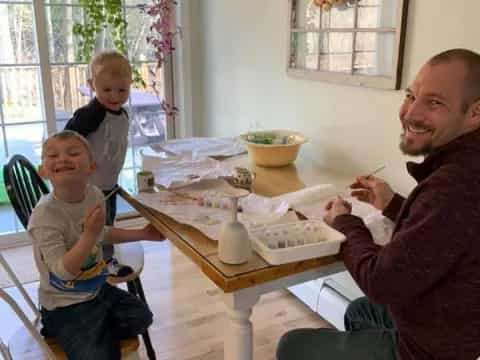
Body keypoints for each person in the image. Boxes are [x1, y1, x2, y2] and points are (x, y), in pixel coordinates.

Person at [276, 48, 480, 360]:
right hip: (441, 323)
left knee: (292, 346)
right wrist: (392, 204)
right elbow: (445, 235)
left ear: (475, 113)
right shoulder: (463, 170)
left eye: (435, 102)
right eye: (411, 95)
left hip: (432, 350)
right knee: (360, 312)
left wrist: (345, 223)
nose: (410, 113)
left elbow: (380, 282)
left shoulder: (456, 184)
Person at [28, 130, 165, 359]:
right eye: (52, 155)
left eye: (73, 153)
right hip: (64, 305)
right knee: (101, 354)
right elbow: (62, 272)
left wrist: (142, 233)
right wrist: (89, 236)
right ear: (43, 171)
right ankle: (70, 331)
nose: (62, 158)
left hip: (97, 289)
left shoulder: (94, 195)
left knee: (142, 317)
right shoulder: (45, 216)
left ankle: (96, 331)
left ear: (92, 167)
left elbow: (102, 233)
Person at [65, 50, 133, 275]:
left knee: (108, 223)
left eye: (122, 90)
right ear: (92, 85)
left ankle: (105, 260)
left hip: (109, 183)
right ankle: (95, 262)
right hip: (89, 185)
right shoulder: (91, 114)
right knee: (94, 227)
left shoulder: (122, 114)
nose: (115, 96)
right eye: (106, 90)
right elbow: (68, 139)